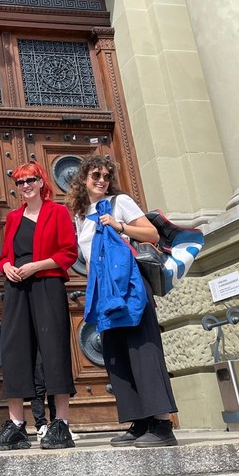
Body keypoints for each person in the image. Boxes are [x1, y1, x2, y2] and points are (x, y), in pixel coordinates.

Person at [66, 155, 178, 447]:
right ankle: (139, 421)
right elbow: (89, 258)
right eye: (95, 176)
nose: (101, 180)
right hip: (104, 289)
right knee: (115, 353)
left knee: (142, 348)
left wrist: (120, 226)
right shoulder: (80, 215)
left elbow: (152, 233)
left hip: (129, 285)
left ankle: (163, 424)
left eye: (105, 176)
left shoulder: (120, 202)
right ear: (83, 179)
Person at [0, 162, 78, 451]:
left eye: (31, 180)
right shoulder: (13, 218)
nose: (25, 185)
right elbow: (3, 256)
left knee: (53, 350)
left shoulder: (58, 212)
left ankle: (61, 424)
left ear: (42, 182)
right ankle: (17, 426)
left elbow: (68, 252)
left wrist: (35, 267)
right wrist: (7, 268)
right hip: (17, 287)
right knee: (14, 351)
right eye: (20, 182)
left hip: (47, 284)